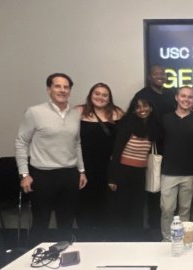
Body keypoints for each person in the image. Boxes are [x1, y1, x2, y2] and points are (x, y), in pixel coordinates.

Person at [15, 73, 87, 242]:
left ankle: (64, 258)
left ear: (69, 90)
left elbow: (77, 143)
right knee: (41, 221)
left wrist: (81, 171)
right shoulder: (34, 112)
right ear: (49, 89)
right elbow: (21, 142)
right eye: (57, 86)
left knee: (66, 222)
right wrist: (24, 174)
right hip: (42, 175)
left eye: (66, 87)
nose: (62, 90)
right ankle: (35, 260)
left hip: (69, 174)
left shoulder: (75, 114)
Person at [75, 83, 124, 231]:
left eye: (104, 95)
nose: (100, 97)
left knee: (108, 209)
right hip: (83, 167)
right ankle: (86, 241)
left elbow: (122, 142)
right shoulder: (78, 111)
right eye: (97, 93)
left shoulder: (117, 113)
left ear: (109, 98)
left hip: (108, 167)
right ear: (91, 95)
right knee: (84, 208)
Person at [133, 64, 176, 231]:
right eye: (156, 74)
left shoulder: (171, 94)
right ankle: (153, 229)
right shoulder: (142, 95)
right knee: (153, 189)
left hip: (171, 149)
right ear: (149, 77)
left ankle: (170, 229)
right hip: (152, 149)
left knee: (168, 192)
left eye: (162, 73)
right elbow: (136, 117)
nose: (160, 76)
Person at [108, 98, 157, 230]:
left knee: (138, 207)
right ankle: (122, 239)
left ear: (151, 107)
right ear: (134, 110)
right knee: (123, 206)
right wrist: (112, 178)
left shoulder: (153, 125)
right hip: (123, 171)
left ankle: (136, 239)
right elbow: (117, 150)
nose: (142, 110)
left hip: (141, 172)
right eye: (138, 107)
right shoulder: (128, 123)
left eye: (145, 106)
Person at [160, 86, 193, 241]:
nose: (186, 99)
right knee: (167, 209)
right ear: (176, 97)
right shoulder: (165, 119)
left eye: (190, 97)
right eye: (183, 96)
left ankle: (182, 240)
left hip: (189, 173)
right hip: (168, 172)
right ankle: (166, 240)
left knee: (185, 210)